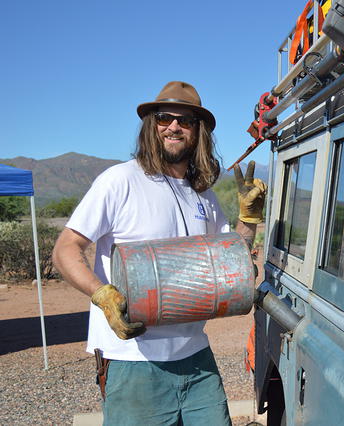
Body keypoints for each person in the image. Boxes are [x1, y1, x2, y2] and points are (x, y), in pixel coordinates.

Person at [52, 81, 266, 425]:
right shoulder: (119, 180)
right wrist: (101, 294)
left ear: (199, 131)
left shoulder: (203, 195)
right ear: (152, 126)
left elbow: (233, 265)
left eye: (185, 120)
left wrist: (248, 219)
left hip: (196, 358)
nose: (174, 126)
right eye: (165, 118)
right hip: (133, 361)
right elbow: (65, 249)